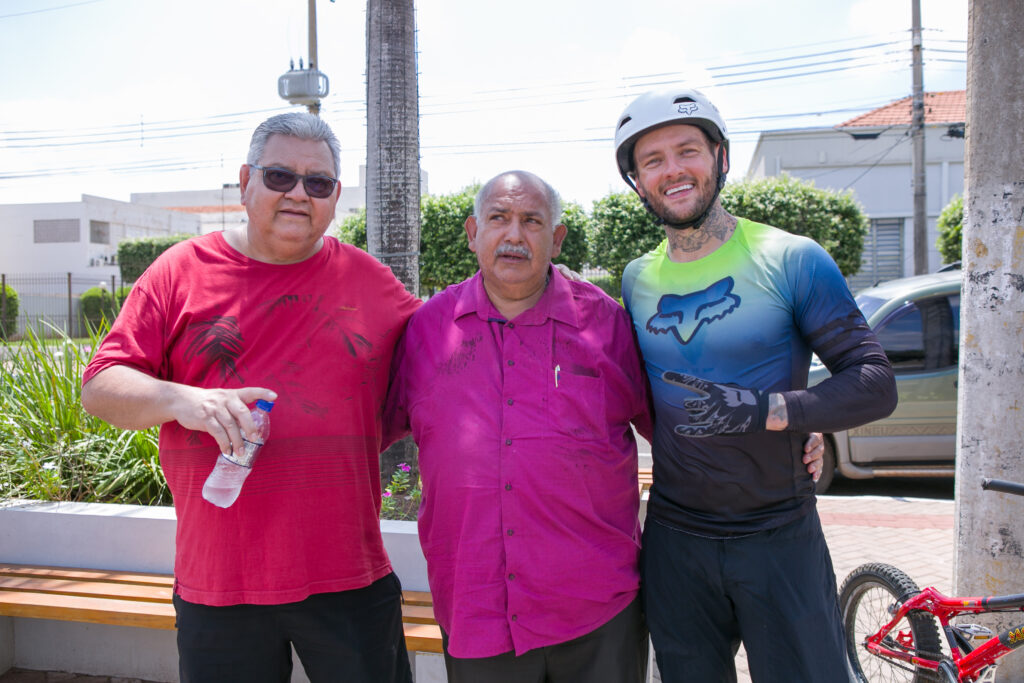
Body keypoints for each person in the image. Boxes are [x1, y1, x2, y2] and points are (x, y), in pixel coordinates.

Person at [382, 170, 825, 683]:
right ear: (472, 232)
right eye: (498, 219)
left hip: (596, 612)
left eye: (532, 221)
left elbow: (684, 424)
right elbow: (365, 430)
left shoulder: (609, 324)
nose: (514, 235)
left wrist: (787, 433)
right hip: (476, 609)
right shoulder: (426, 331)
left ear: (558, 237)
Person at [81, 112, 418, 683]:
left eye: (318, 183)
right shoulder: (177, 273)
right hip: (220, 583)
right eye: (280, 176)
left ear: (335, 197)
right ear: (245, 182)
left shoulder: (373, 283)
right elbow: (101, 387)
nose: (298, 194)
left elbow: (445, 363)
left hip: (349, 576)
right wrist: (184, 400)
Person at [613, 87, 898, 682]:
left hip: (778, 536)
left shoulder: (792, 258)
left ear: (720, 157)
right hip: (675, 538)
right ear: (638, 182)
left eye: (687, 150)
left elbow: (874, 383)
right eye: (653, 160)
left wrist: (774, 412)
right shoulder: (636, 280)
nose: (673, 170)